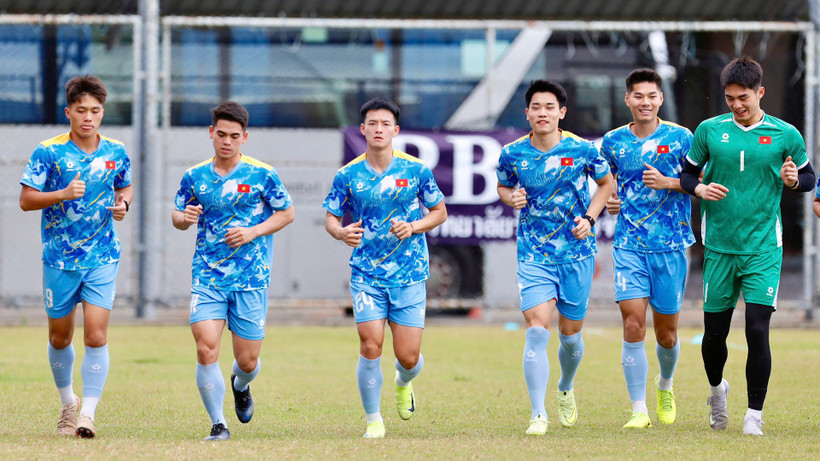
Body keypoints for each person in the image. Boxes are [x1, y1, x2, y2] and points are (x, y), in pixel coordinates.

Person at [679, 57, 815, 435]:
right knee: (714, 336)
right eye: (729, 98)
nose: (737, 105)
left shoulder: (785, 134)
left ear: (760, 92)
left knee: (757, 329)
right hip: (719, 247)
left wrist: (792, 181)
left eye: (743, 97)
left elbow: (807, 178)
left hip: (763, 248)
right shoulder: (708, 130)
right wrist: (700, 188)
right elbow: (687, 174)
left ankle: (753, 414)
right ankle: (717, 391)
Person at [322, 97, 447, 439]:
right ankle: (373, 419)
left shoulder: (416, 170)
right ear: (362, 130)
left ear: (396, 130)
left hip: (408, 274)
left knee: (408, 357)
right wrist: (341, 231)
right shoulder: (347, 175)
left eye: (385, 124)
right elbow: (331, 218)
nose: (379, 129)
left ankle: (403, 382)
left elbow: (439, 212)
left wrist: (415, 226)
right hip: (367, 274)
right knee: (371, 344)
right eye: (372, 124)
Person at [496, 80, 614, 435]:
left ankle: (566, 385)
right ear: (527, 113)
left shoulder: (582, 149)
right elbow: (503, 185)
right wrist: (509, 197)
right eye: (536, 107)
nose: (542, 113)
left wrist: (590, 219)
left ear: (561, 113)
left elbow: (607, 185)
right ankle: (537, 414)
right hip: (533, 253)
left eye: (550, 107)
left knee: (570, 335)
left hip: (576, 253)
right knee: (536, 330)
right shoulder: (512, 153)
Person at [172, 101, 295, 441]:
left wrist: (253, 231)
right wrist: (184, 218)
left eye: (234, 136)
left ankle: (241, 385)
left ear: (245, 137)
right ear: (211, 133)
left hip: (250, 279)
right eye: (221, 134)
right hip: (208, 276)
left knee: (248, 361)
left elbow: (287, 213)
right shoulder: (194, 176)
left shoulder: (262, 174)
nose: (227, 141)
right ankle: (218, 424)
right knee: (205, 346)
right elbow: (178, 215)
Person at [19, 75, 133, 438]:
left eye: (95, 111)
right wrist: (62, 193)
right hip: (59, 259)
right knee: (60, 338)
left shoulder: (116, 151)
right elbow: (26, 200)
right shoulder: (48, 151)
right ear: (68, 112)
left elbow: (125, 184)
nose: (88, 117)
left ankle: (87, 414)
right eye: (81, 111)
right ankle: (68, 401)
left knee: (96, 336)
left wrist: (123, 203)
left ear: (103, 113)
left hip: (102, 256)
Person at [601, 68, 694, 428]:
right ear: (628, 99)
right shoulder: (612, 141)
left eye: (651, 96)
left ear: (660, 99)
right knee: (633, 323)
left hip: (670, 246)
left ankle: (665, 385)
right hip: (628, 245)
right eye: (638, 96)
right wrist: (608, 199)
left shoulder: (682, 138)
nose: (645, 102)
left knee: (667, 332)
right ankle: (638, 409)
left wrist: (670, 182)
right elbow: (603, 182)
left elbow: (701, 182)